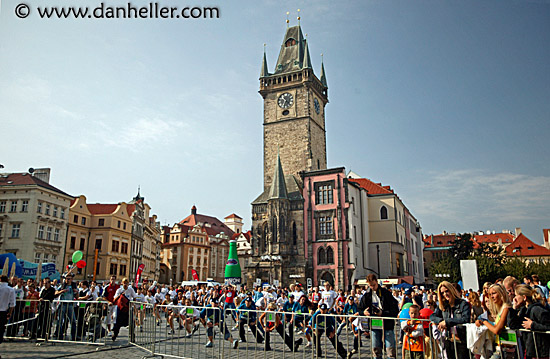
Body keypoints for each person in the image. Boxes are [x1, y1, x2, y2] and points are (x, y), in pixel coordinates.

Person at [357, 274, 399, 359]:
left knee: (390, 348)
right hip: (374, 323)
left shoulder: (386, 293)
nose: (372, 287)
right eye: (370, 285)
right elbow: (360, 308)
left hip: (387, 322)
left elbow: (394, 309)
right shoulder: (367, 295)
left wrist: (382, 313)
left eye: (373, 285)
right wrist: (364, 312)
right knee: (376, 348)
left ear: (376, 282)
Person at [429, 281, 471, 359]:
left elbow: (465, 319)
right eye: (442, 293)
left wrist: (447, 322)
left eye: (446, 291)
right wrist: (441, 321)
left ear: (451, 290)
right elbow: (432, 316)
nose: (445, 294)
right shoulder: (443, 305)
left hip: (461, 340)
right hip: (448, 340)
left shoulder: (463, 304)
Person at [509, 284, 550, 359]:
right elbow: (513, 325)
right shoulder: (524, 310)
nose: (514, 298)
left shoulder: (537, 310)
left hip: (541, 353)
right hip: (530, 351)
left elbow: (548, 326)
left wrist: (532, 325)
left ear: (524, 297)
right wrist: (514, 309)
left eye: (516, 295)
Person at [54, 274, 79, 341]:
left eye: (69, 279)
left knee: (73, 321)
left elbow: (77, 297)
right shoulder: (62, 286)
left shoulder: (73, 286)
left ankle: (74, 336)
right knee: (60, 321)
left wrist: (76, 292)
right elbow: (55, 294)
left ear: (71, 279)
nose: (67, 280)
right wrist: (61, 291)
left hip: (70, 304)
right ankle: (59, 335)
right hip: (62, 304)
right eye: (66, 278)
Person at [0, 275, 16, 358]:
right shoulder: (10, 289)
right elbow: (12, 304)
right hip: (3, 312)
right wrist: (9, 313)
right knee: (0, 330)